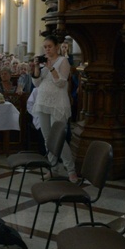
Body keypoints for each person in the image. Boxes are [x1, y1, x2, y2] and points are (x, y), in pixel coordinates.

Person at [32, 36, 79, 183]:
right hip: (43, 102)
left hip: (58, 104)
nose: (47, 49)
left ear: (57, 47)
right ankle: (53, 168)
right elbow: (37, 83)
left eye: (50, 46)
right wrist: (35, 67)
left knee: (58, 138)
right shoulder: (43, 62)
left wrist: (51, 68)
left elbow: (60, 83)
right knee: (48, 139)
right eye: (45, 47)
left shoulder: (63, 61)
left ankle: (71, 170)